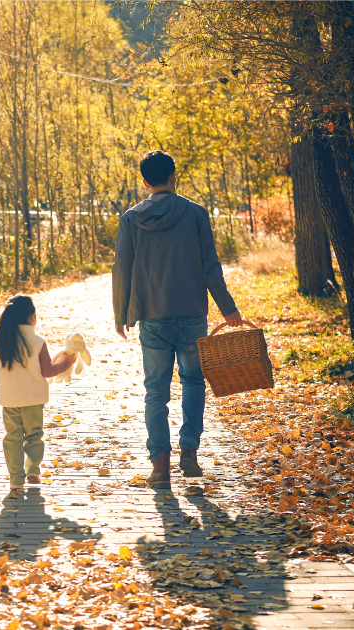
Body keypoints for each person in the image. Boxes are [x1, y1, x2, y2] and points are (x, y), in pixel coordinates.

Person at [112, 150, 244, 487]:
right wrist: (228, 309)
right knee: (193, 382)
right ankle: (189, 452)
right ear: (174, 176)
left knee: (155, 391)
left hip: (152, 316)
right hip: (192, 314)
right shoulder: (196, 214)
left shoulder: (131, 218)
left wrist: (121, 313)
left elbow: (121, 268)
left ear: (145, 182)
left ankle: (160, 465)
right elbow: (210, 266)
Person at [0, 295, 87, 492]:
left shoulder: (2, 341)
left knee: (12, 438)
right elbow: (48, 371)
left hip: (10, 399)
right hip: (34, 399)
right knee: (34, 436)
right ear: (32, 317)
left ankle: (16, 479)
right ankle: (33, 470)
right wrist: (68, 362)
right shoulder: (38, 341)